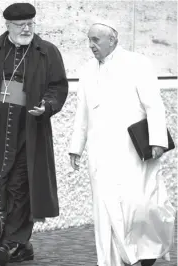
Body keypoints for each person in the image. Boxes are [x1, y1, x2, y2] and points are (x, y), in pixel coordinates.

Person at [0, 2, 68, 265]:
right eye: (21, 25)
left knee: (20, 185)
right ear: (7, 26)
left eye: (31, 23)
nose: (27, 29)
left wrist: (47, 106)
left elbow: (58, 87)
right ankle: (18, 244)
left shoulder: (47, 52)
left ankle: (11, 243)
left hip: (28, 131)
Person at [69, 20, 175, 266]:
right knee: (105, 211)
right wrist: (76, 147)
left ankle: (147, 254)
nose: (91, 45)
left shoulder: (137, 63)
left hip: (133, 151)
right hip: (100, 154)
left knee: (140, 206)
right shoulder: (86, 70)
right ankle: (110, 261)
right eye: (89, 40)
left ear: (113, 41)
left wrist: (157, 141)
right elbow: (82, 111)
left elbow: (154, 105)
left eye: (96, 40)